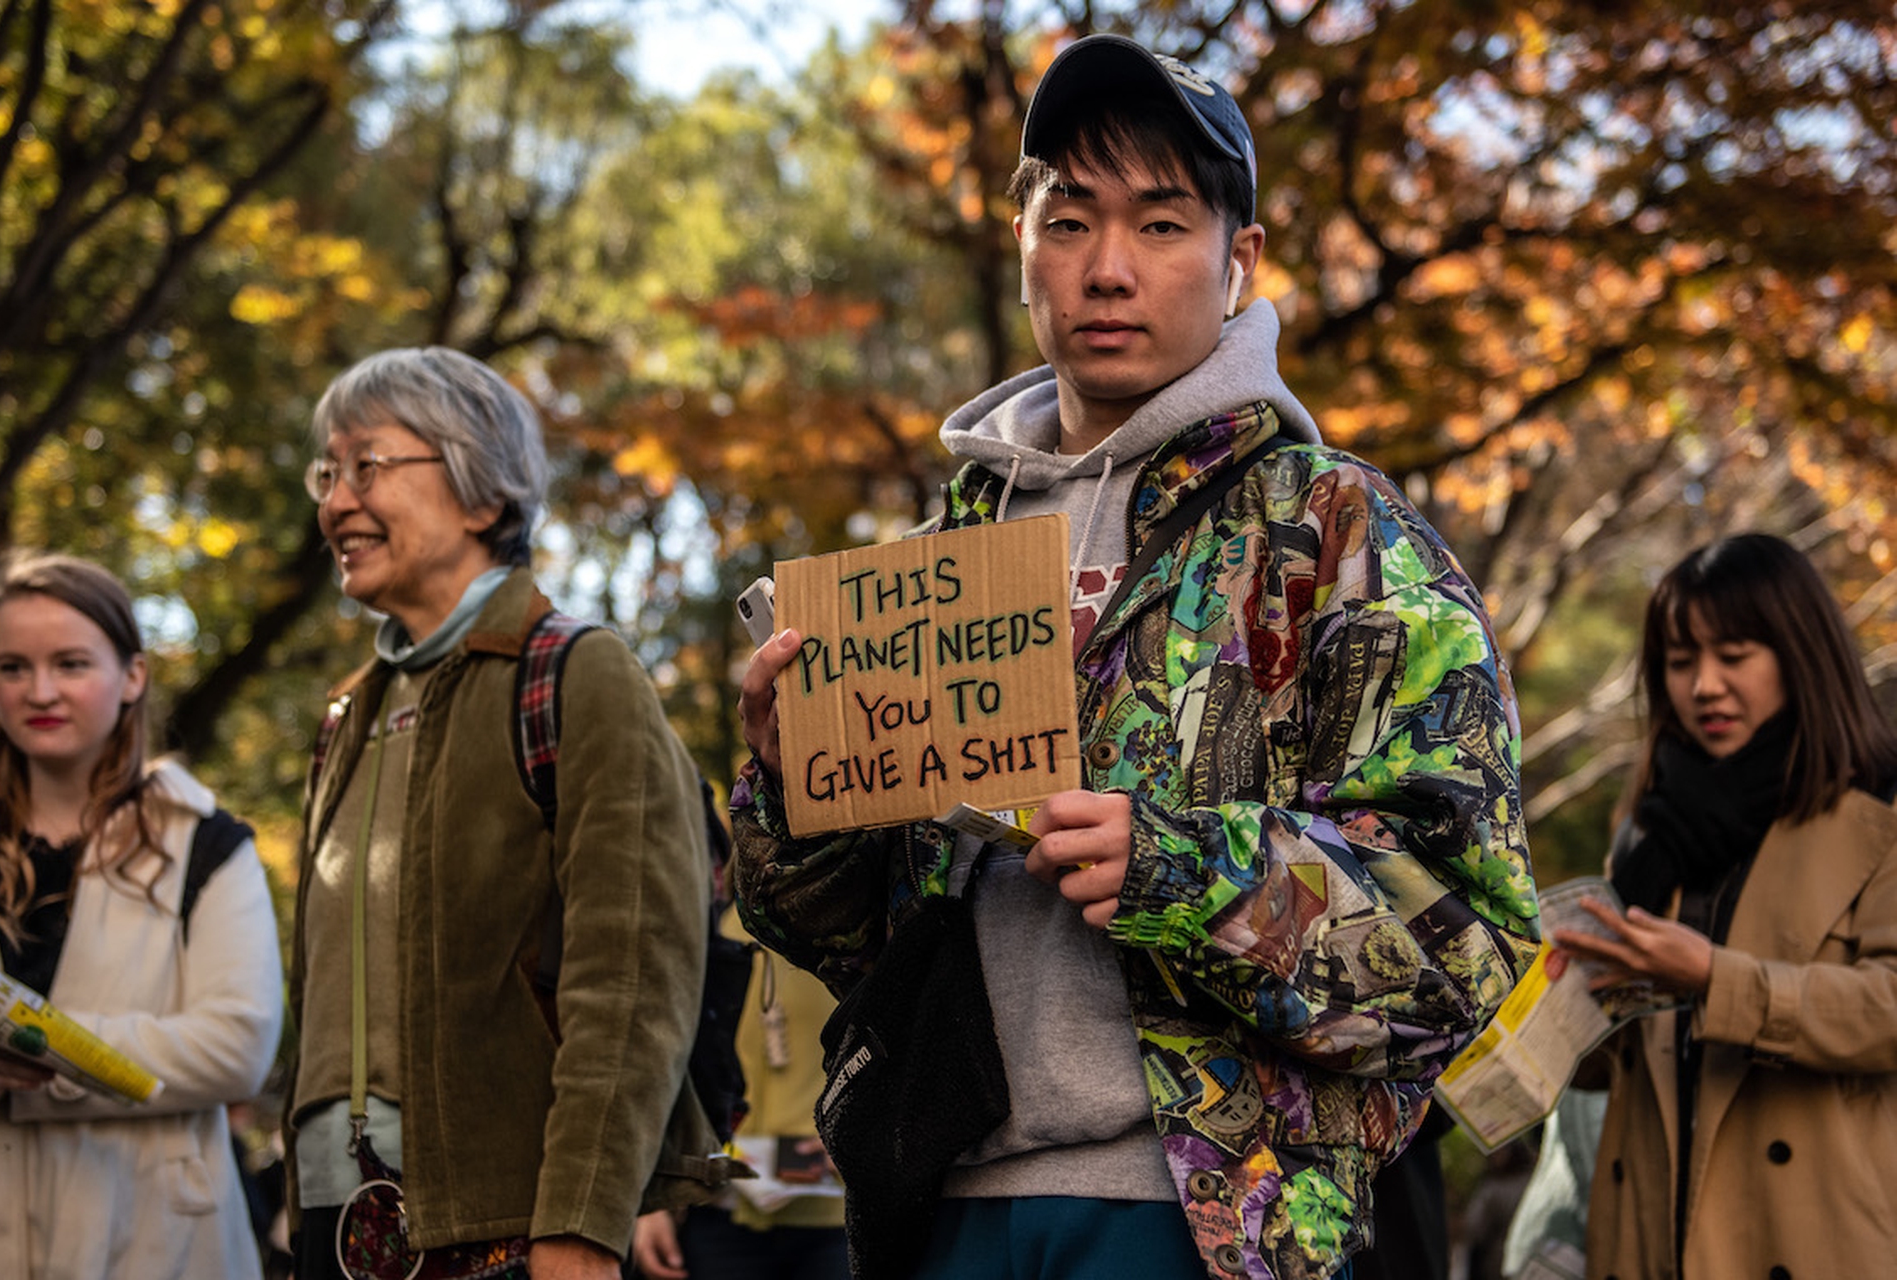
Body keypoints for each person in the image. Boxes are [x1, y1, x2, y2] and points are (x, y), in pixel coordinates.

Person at [732, 34, 1540, 1280]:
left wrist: (1175, 867)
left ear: (1239, 262)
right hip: (941, 1201)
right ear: (1022, 248)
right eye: (1069, 220)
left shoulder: (1338, 535)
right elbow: (839, 931)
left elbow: (1465, 942)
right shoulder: (929, 564)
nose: (1108, 267)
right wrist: (794, 786)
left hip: (1207, 1219)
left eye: (1163, 224)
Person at [285, 346, 720, 1280]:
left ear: (483, 496)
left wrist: (585, 1217)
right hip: (337, 1229)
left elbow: (636, 973)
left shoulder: (574, 672)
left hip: (514, 1230)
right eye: (328, 471)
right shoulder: (345, 713)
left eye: (368, 465)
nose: (334, 502)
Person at [1553, 532, 1897, 1279]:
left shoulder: (1880, 812)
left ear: (1800, 654)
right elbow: (1608, 1067)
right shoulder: (1648, 829)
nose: (1704, 685)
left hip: (1813, 1236)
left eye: (1734, 656)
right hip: (1648, 1240)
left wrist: (1716, 979)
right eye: (1680, 663)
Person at [0, 553, 284, 1278]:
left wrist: (39, 1052)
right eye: (12, 666)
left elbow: (236, 1046)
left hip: (156, 1241)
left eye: (72, 663)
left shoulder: (206, 843)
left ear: (134, 676)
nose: (39, 690)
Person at [631, 934, 851, 1280]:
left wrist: (866, 1138)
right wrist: (650, 1200)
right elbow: (656, 1061)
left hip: (838, 1218)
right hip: (714, 1211)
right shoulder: (711, 918)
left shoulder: (859, 922)